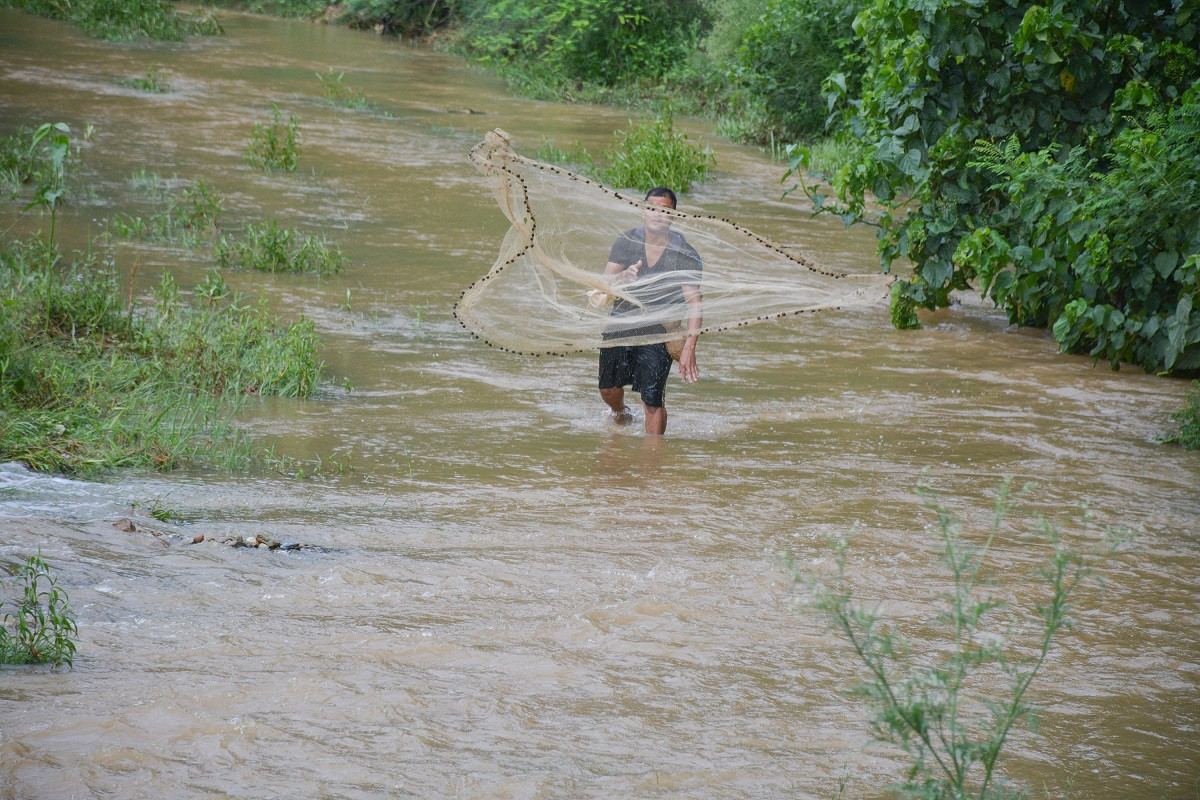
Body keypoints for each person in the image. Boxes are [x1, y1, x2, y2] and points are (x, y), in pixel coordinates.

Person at [597, 186, 702, 435]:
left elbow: (694, 301)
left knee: (652, 400)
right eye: (652, 208)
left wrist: (689, 347)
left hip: (660, 328)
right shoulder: (626, 240)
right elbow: (604, 280)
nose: (657, 214)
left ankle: (653, 460)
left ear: (673, 215)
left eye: (664, 210)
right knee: (608, 389)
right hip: (622, 320)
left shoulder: (685, 253)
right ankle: (620, 411)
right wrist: (622, 277)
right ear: (643, 210)